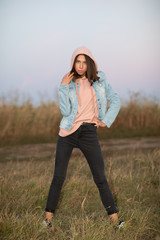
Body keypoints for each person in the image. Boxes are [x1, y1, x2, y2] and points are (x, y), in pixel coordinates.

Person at [43, 46, 125, 229]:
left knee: (100, 177)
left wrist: (105, 121)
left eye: (84, 62)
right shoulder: (68, 82)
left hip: (89, 131)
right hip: (68, 133)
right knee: (58, 177)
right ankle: (47, 221)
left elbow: (116, 99)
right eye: (77, 62)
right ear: (73, 63)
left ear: (90, 63)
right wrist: (63, 88)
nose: (80, 66)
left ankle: (116, 221)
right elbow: (65, 111)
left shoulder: (100, 80)